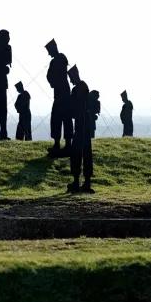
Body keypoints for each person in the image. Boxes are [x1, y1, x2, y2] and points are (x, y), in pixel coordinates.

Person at [66, 66, 94, 194]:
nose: (70, 80)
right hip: (84, 124)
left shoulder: (79, 88)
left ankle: (80, 182)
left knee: (79, 153)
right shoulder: (82, 87)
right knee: (83, 153)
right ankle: (83, 182)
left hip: (81, 124)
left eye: (71, 78)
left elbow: (76, 107)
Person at [46, 39, 73, 157]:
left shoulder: (60, 58)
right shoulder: (59, 59)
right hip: (61, 92)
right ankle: (59, 144)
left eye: (50, 51)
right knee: (57, 119)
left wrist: (53, 81)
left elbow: (51, 75)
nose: (49, 54)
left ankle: (67, 144)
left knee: (63, 118)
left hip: (63, 93)